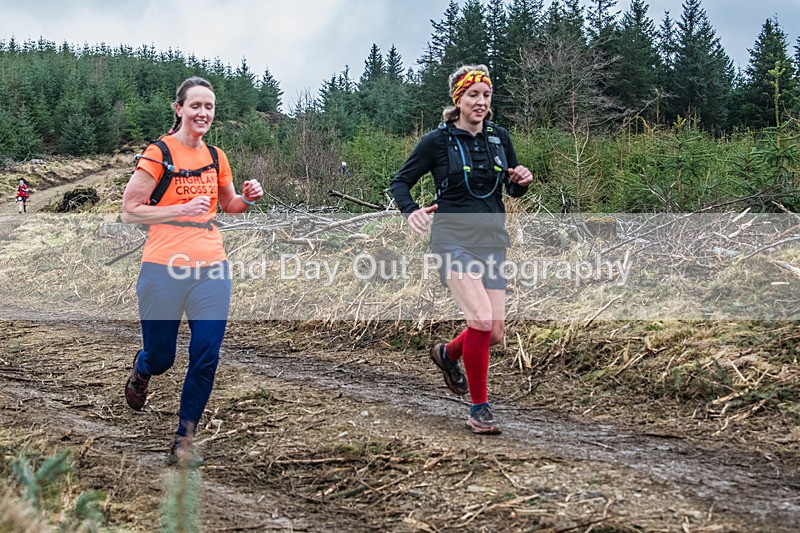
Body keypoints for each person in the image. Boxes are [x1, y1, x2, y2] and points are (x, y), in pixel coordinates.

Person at [121, 76, 264, 464]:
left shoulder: (216, 157)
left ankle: (184, 440)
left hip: (211, 267)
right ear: (179, 109)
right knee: (162, 358)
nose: (203, 113)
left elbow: (229, 206)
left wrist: (247, 198)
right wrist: (179, 209)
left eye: (209, 107)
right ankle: (143, 367)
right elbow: (131, 210)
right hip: (162, 267)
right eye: (196, 105)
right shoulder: (159, 154)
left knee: (205, 354)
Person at [391, 65, 533, 435]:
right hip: (452, 240)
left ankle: (447, 353)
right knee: (481, 321)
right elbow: (401, 182)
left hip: (493, 241)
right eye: (473, 95)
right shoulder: (437, 141)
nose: (481, 102)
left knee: (494, 332)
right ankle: (479, 409)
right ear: (459, 99)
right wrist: (411, 210)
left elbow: (510, 187)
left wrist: (521, 181)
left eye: (486, 95)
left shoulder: (499, 138)